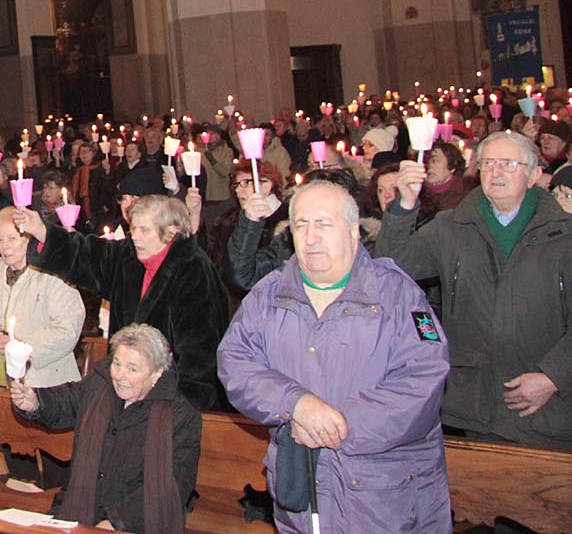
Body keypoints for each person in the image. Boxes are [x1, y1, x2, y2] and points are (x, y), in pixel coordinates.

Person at [219, 181, 450, 532]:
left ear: (354, 231)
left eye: (324, 224)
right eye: (301, 225)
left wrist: (339, 423)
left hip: (385, 499)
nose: (311, 237)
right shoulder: (269, 295)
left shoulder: (397, 294)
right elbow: (236, 361)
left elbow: (423, 380)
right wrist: (295, 403)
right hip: (302, 492)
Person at [374, 131, 572, 449]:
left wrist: (553, 376)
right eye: (488, 163)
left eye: (509, 164)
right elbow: (392, 268)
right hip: (474, 407)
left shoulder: (563, 235)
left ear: (534, 175)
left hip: (548, 409)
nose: (496, 172)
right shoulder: (453, 226)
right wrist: (405, 206)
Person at [14, 195, 229, 410]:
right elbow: (86, 256)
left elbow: (199, 354)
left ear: (171, 232)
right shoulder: (128, 256)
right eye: (133, 228)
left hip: (169, 400)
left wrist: (176, 408)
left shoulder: (194, 270)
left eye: (144, 230)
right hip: (125, 387)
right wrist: (42, 231)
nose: (135, 237)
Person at [10, 324, 200, 533]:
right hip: (80, 510)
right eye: (117, 364)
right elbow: (67, 399)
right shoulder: (100, 387)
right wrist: (36, 402)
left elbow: (171, 487)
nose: (119, 375)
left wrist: (117, 522)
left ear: (156, 375)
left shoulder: (180, 416)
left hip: (138, 524)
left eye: (132, 369)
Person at [0, 208, 84, 389]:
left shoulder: (54, 273)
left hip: (45, 383)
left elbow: (67, 330)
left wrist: (19, 346)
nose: (5, 246)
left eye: (12, 238)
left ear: (30, 239)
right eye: (0, 240)